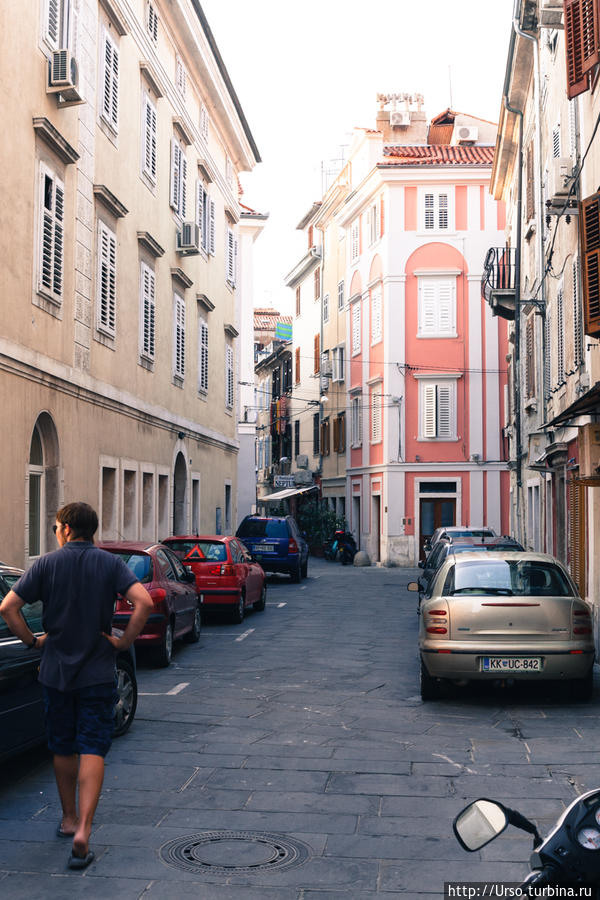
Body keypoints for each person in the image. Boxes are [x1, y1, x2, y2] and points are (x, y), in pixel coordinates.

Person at [0, 501, 153, 870]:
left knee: (62, 746)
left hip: (55, 674)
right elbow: (143, 602)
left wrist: (34, 642)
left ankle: (68, 818)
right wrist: (123, 641)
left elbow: (8, 608)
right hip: (98, 672)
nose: (55, 531)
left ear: (66, 529)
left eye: (55, 526)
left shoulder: (48, 564)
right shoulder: (109, 563)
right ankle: (85, 828)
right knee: (93, 748)